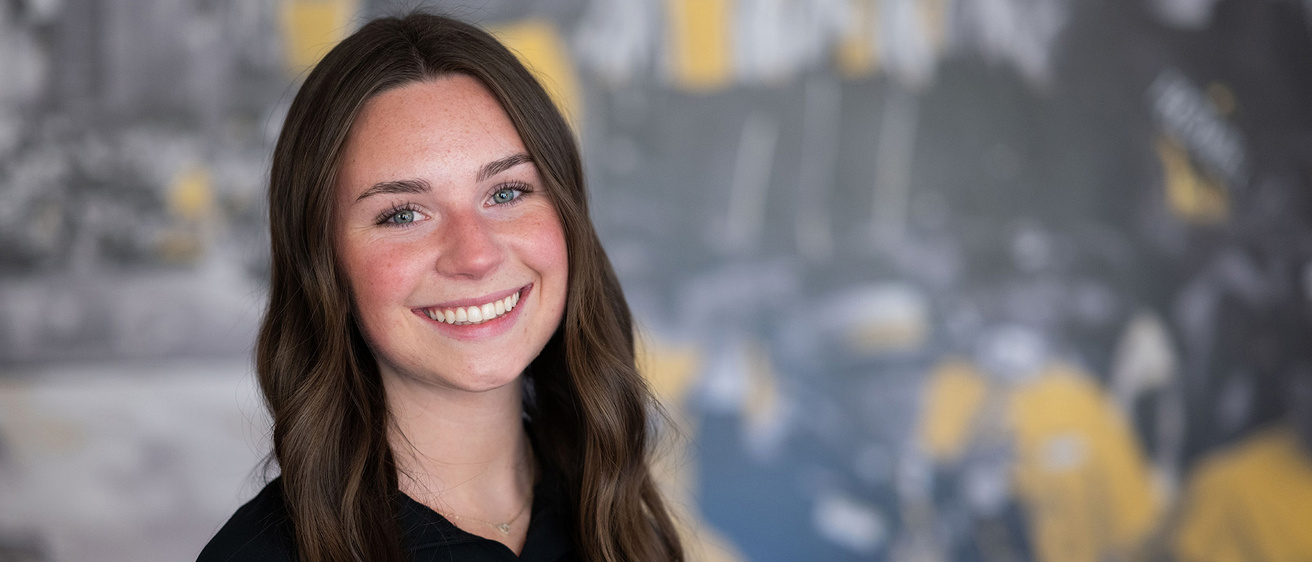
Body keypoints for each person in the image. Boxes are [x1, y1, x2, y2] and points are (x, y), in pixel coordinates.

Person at [198, 12, 684, 562]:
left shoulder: (614, 514)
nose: (474, 255)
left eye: (506, 193)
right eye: (404, 214)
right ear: (324, 259)